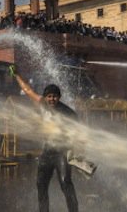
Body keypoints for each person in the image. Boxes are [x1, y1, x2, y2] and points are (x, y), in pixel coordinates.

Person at [11, 66, 79, 212]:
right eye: (49, 96)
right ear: (45, 97)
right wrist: (17, 75)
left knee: (65, 184)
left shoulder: (68, 113)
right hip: (47, 152)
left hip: (62, 152)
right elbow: (28, 91)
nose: (52, 99)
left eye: (54, 96)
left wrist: (75, 151)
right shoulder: (42, 103)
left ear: (59, 97)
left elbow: (77, 133)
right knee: (41, 185)